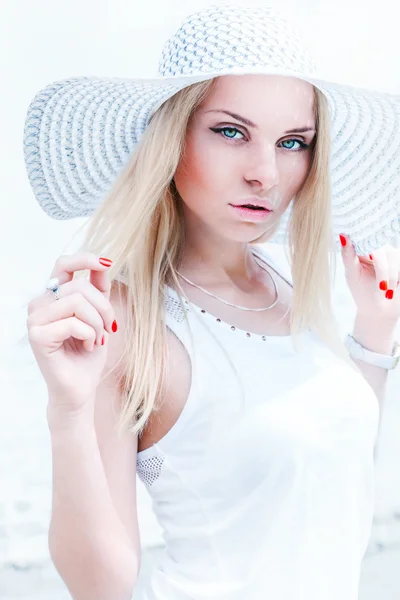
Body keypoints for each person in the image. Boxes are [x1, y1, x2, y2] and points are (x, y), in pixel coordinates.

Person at [23, 4, 400, 600]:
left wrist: (375, 339)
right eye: (231, 131)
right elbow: (101, 586)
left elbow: (330, 484)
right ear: (172, 138)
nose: (265, 173)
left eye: (293, 142)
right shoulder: (127, 321)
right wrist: (66, 412)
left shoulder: (287, 284)